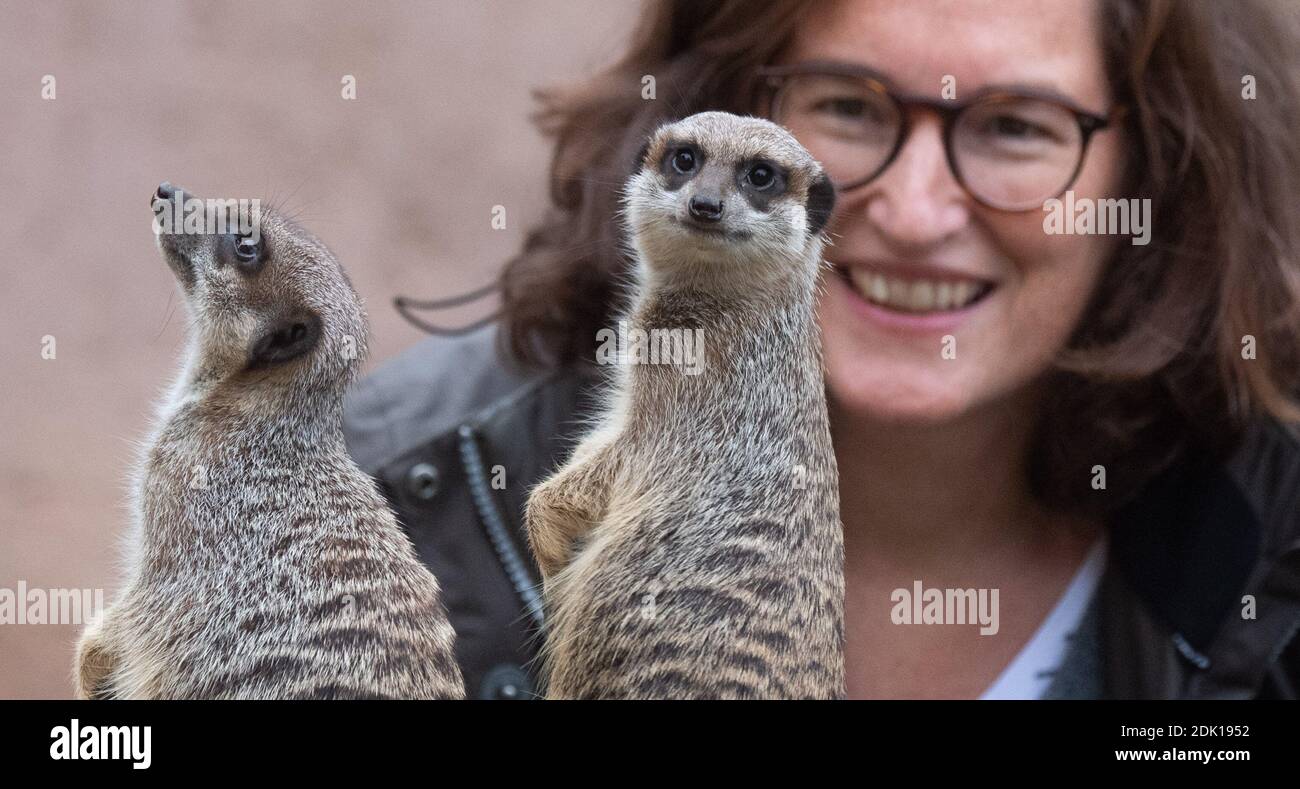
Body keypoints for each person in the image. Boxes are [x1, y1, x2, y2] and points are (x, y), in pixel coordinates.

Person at [343, 0, 1300, 699]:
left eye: (1015, 128)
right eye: (848, 106)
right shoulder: (394, 486)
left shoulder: (1273, 558)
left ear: (1153, 173)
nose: (916, 214)